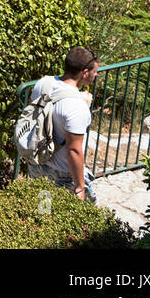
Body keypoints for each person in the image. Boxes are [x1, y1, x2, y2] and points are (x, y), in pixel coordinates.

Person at [26, 46, 100, 202]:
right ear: (85, 72)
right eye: (95, 71)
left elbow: (32, 112)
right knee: (81, 218)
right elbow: (73, 150)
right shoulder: (77, 106)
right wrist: (80, 186)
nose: (96, 75)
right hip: (62, 173)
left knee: (43, 211)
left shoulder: (43, 83)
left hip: (37, 162)